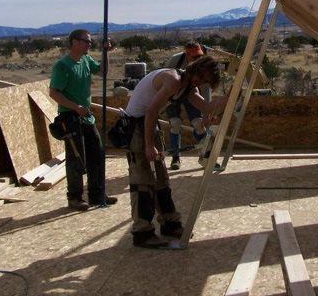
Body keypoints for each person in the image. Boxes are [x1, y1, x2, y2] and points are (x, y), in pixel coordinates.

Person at [124, 55, 225, 248]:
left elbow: (206, 106)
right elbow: (152, 111)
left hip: (148, 125)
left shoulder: (187, 87)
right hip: (135, 126)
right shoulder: (173, 80)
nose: (200, 82)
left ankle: (170, 224)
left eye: (205, 81)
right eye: (200, 77)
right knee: (143, 181)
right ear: (194, 69)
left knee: (161, 179)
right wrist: (147, 145)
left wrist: (232, 97)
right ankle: (142, 233)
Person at [49, 29, 117, 211]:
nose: (89, 44)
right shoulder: (63, 66)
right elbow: (54, 92)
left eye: (90, 42)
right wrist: (74, 107)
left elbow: (102, 72)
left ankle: (97, 194)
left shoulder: (86, 60)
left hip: (86, 117)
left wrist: (105, 53)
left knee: (97, 154)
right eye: (86, 41)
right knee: (76, 159)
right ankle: (75, 198)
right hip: (70, 117)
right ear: (74, 42)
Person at [163, 41, 212, 170]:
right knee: (175, 123)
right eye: (195, 57)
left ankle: (207, 156)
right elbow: (164, 80)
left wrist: (207, 113)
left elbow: (206, 89)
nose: (198, 59)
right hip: (174, 92)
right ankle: (175, 158)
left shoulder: (204, 65)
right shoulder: (175, 61)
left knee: (198, 123)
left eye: (199, 56)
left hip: (193, 93)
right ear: (187, 54)